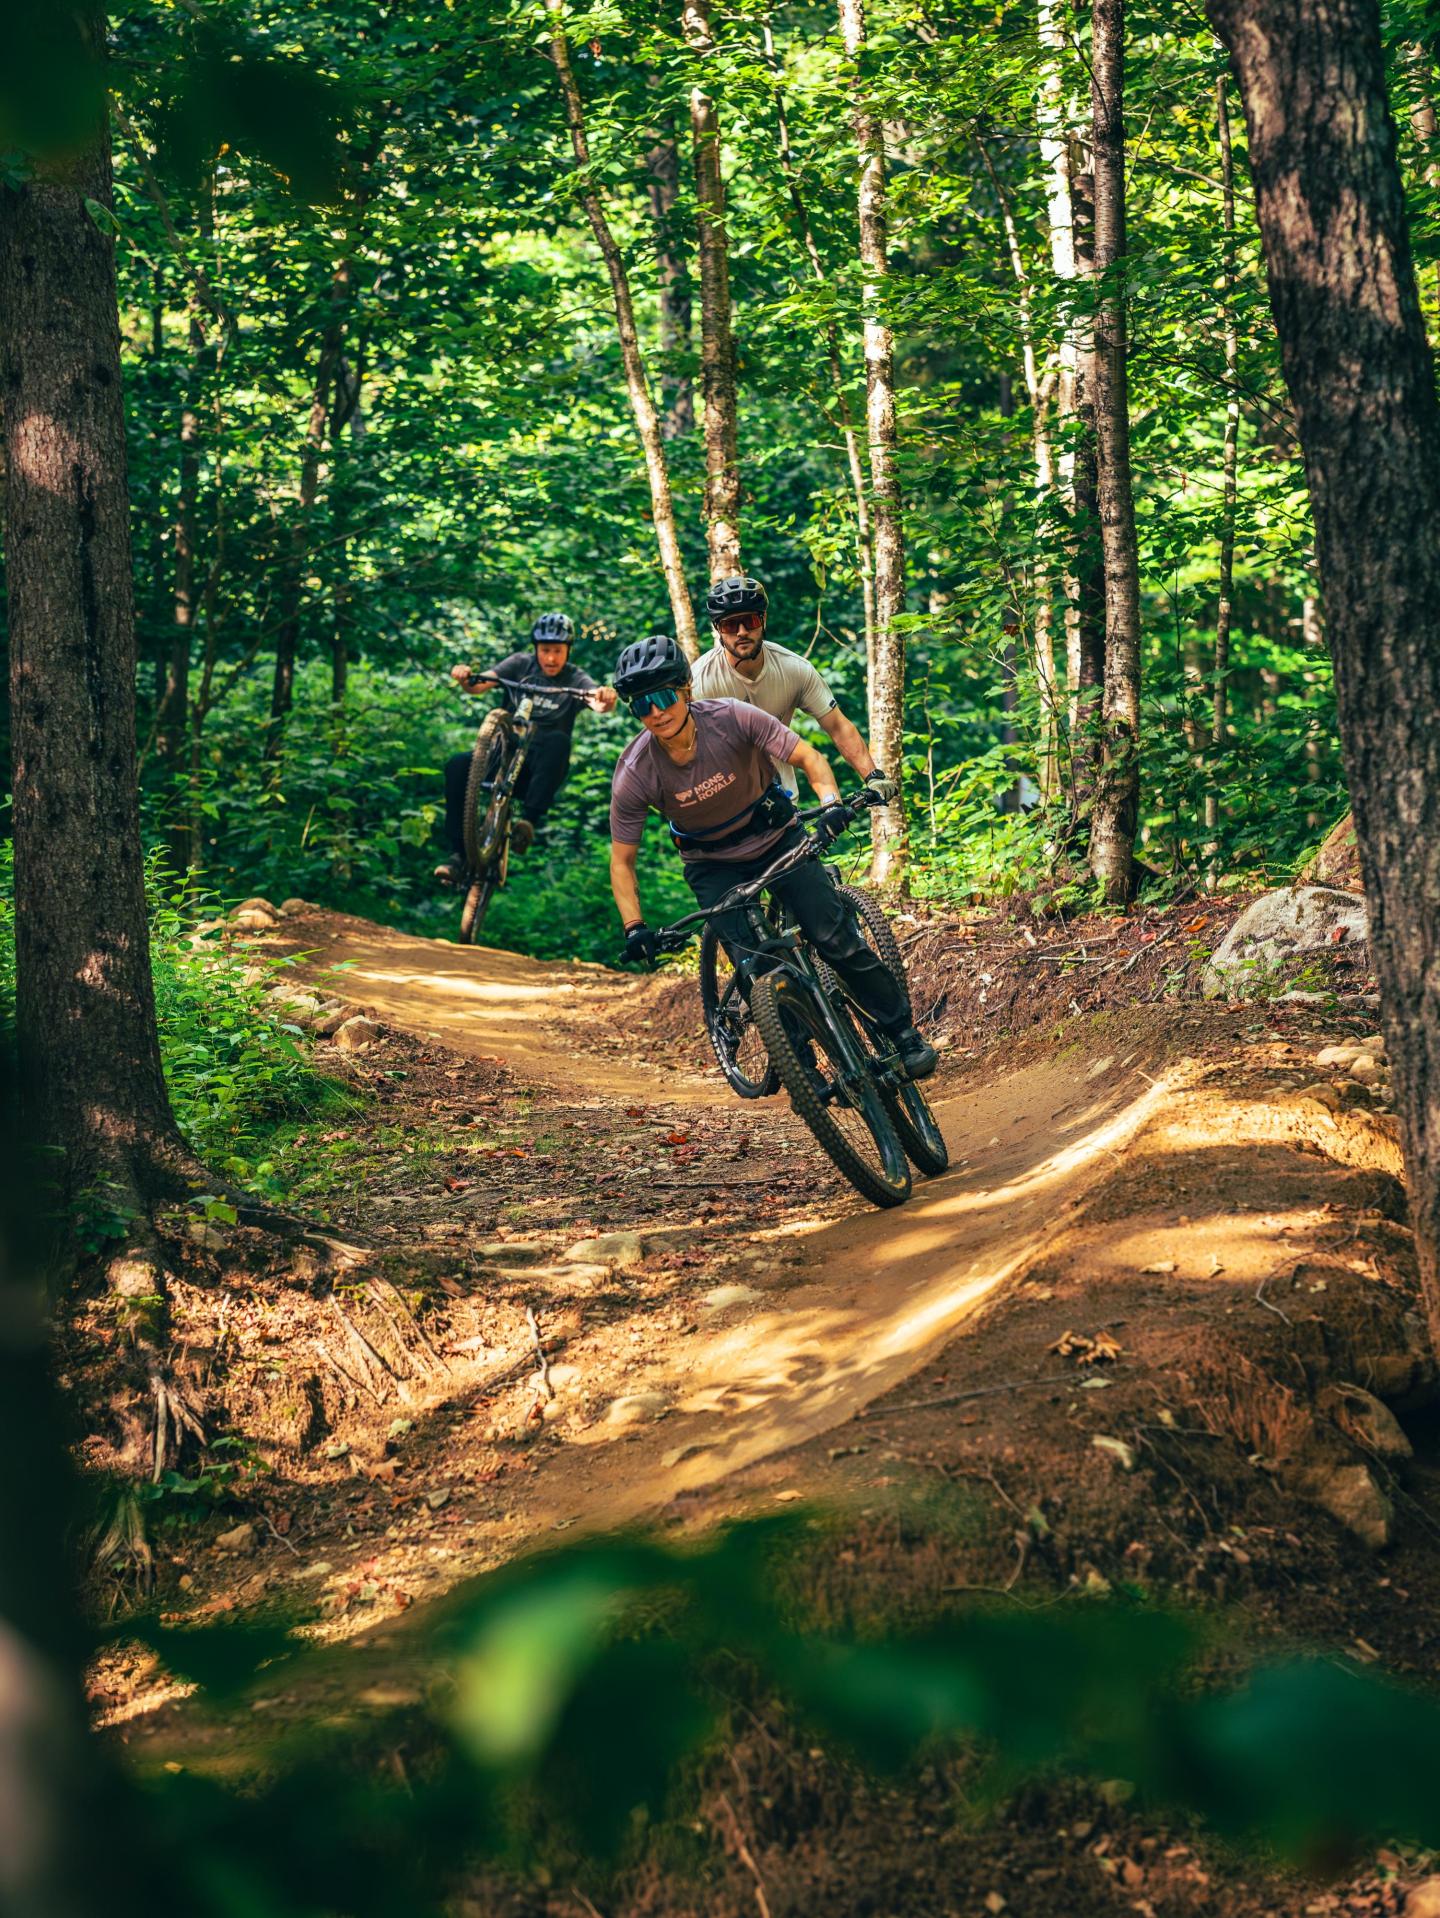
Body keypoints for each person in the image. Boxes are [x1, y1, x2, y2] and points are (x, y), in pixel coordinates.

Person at [607, 634, 937, 1079]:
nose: (656, 712)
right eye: (641, 706)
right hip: (711, 864)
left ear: (686, 689)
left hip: (776, 836)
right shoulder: (635, 771)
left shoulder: (732, 717)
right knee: (755, 967)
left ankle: (903, 1033)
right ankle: (797, 1062)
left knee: (833, 936)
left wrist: (832, 802)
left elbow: (809, 757)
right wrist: (635, 928)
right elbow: (622, 862)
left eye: (664, 697)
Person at [436, 612, 616, 883]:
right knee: (457, 765)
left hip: (535, 776)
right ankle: (458, 855)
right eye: (545, 650)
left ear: (568, 650)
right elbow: (480, 684)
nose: (551, 658)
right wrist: (465, 677)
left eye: (557, 651)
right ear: (536, 649)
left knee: (558, 740)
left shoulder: (575, 678)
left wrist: (605, 696)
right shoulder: (520, 664)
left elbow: (598, 703)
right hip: (502, 758)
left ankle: (527, 823)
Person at [691, 572, 897, 809]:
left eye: (750, 621)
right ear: (718, 629)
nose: (741, 632)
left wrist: (872, 776)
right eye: (729, 624)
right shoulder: (701, 681)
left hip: (784, 803)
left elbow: (838, 726)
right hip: (726, 809)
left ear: (764, 620)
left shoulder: (793, 669)